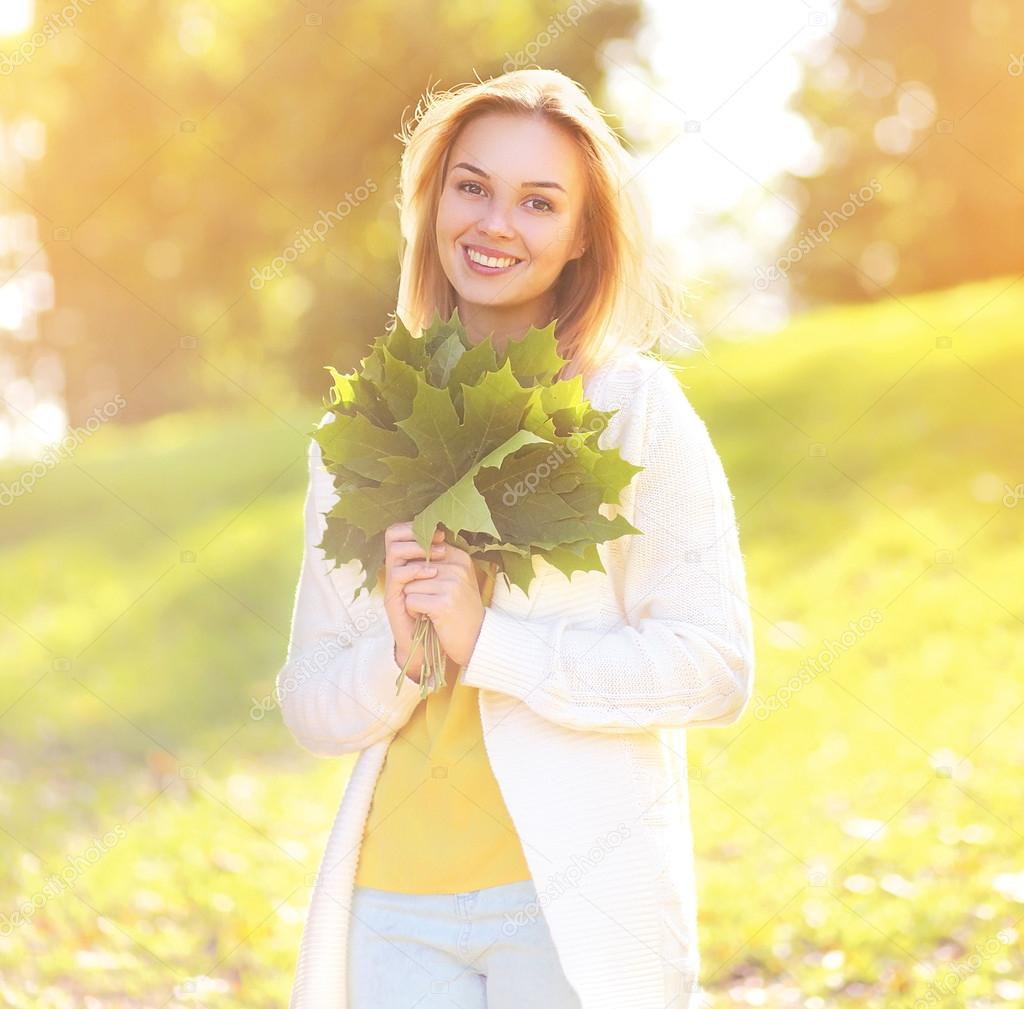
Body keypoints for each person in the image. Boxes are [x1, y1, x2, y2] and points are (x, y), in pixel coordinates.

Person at [276, 67, 756, 1009]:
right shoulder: (365, 432)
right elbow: (306, 698)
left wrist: (491, 645)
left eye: (539, 202)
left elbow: (714, 665)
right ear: (434, 201)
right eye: (473, 186)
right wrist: (404, 657)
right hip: (392, 904)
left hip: (572, 904)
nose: (496, 224)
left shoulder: (631, 410)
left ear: (582, 235)